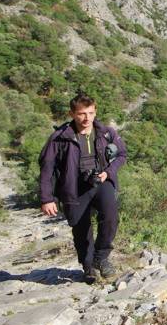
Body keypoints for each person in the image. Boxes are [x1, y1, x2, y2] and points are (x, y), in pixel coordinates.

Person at [38, 92, 127, 283]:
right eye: (81, 113)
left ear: (95, 112)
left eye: (90, 113)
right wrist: (46, 198)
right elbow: (47, 168)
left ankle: (101, 258)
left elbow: (121, 155)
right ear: (72, 114)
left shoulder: (106, 132)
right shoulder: (60, 138)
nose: (86, 118)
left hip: (101, 181)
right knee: (81, 228)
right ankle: (88, 267)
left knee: (111, 217)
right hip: (73, 188)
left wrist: (108, 172)